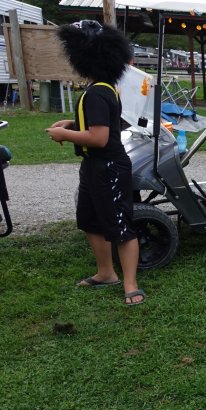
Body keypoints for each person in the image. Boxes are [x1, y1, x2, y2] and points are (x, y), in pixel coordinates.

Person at [46, 20, 144, 306]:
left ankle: (130, 283)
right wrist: (72, 123)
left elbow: (99, 138)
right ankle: (106, 273)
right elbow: (99, 125)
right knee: (90, 220)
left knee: (120, 226)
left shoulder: (99, 92)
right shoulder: (101, 88)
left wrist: (65, 133)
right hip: (93, 166)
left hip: (109, 166)